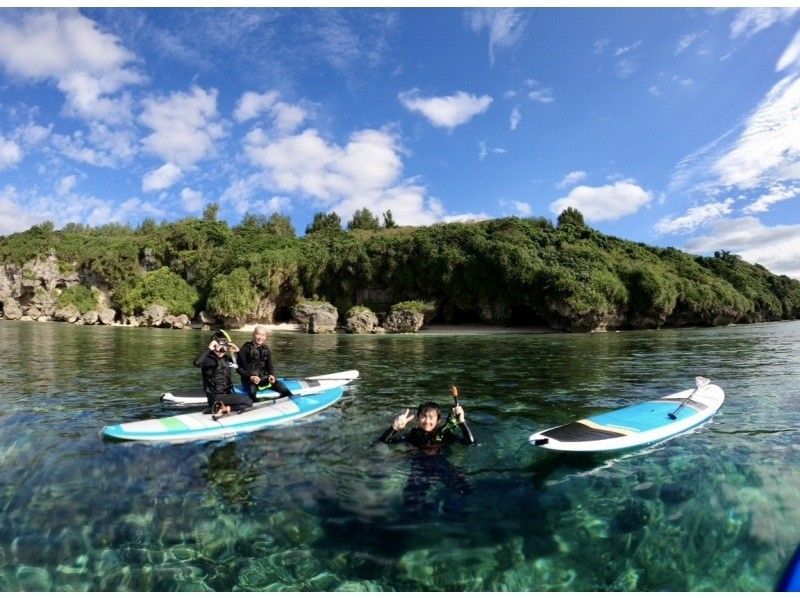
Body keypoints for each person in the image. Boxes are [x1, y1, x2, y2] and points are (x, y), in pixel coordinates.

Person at [379, 386, 475, 513]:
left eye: (431, 417)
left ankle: (451, 511)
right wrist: (394, 428)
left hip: (442, 464)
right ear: (418, 417)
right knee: (410, 502)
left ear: (438, 420)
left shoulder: (444, 435)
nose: (427, 421)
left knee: (466, 491)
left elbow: (470, 443)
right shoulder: (413, 435)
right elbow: (384, 441)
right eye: (424, 416)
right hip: (420, 466)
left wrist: (462, 422)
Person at [194, 332, 252, 417]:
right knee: (248, 401)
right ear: (214, 345)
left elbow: (245, 365)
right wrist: (209, 348)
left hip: (226, 395)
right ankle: (221, 408)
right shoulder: (208, 359)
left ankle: (222, 408)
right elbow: (196, 363)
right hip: (215, 397)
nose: (222, 350)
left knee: (247, 403)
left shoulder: (226, 359)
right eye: (220, 346)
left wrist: (238, 352)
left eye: (225, 347)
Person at [236, 325, 293, 401]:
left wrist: (272, 375)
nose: (260, 337)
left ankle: (288, 402)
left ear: (265, 337)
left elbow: (270, 366)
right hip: (249, 380)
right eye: (258, 334)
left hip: (263, 378)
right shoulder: (245, 348)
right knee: (253, 394)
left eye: (262, 335)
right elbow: (239, 368)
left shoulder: (266, 350)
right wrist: (251, 377)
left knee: (283, 388)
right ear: (253, 335)